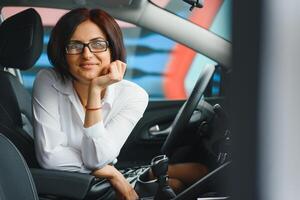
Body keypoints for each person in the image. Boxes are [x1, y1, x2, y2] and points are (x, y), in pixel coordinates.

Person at [33, 7, 208, 200]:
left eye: (98, 44)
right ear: (62, 52)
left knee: (199, 171)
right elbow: (50, 158)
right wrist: (111, 173)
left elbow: (97, 159)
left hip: (103, 175)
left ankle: (147, 174)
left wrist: (95, 90)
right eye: (75, 45)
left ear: (113, 48)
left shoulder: (133, 95)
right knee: (176, 187)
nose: (87, 54)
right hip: (77, 187)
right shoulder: (48, 80)